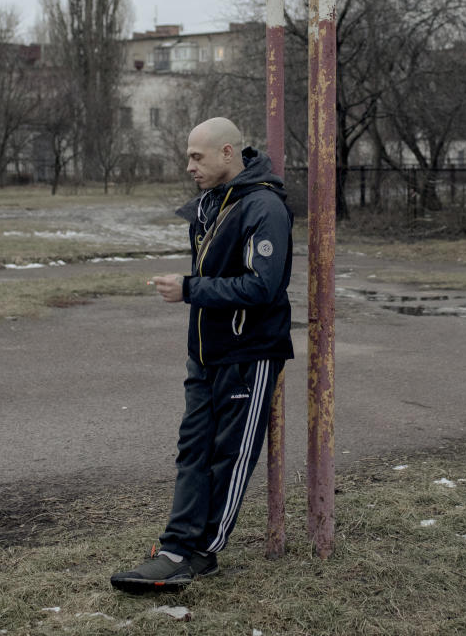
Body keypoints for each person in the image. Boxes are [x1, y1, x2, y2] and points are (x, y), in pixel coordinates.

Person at [110, 117, 294, 592]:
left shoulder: (263, 205)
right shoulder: (215, 203)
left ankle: (200, 553)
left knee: (228, 458)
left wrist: (191, 288)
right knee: (192, 451)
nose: (189, 165)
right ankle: (174, 548)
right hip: (206, 354)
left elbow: (263, 285)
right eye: (189, 156)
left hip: (248, 355)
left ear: (228, 153)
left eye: (198, 156)